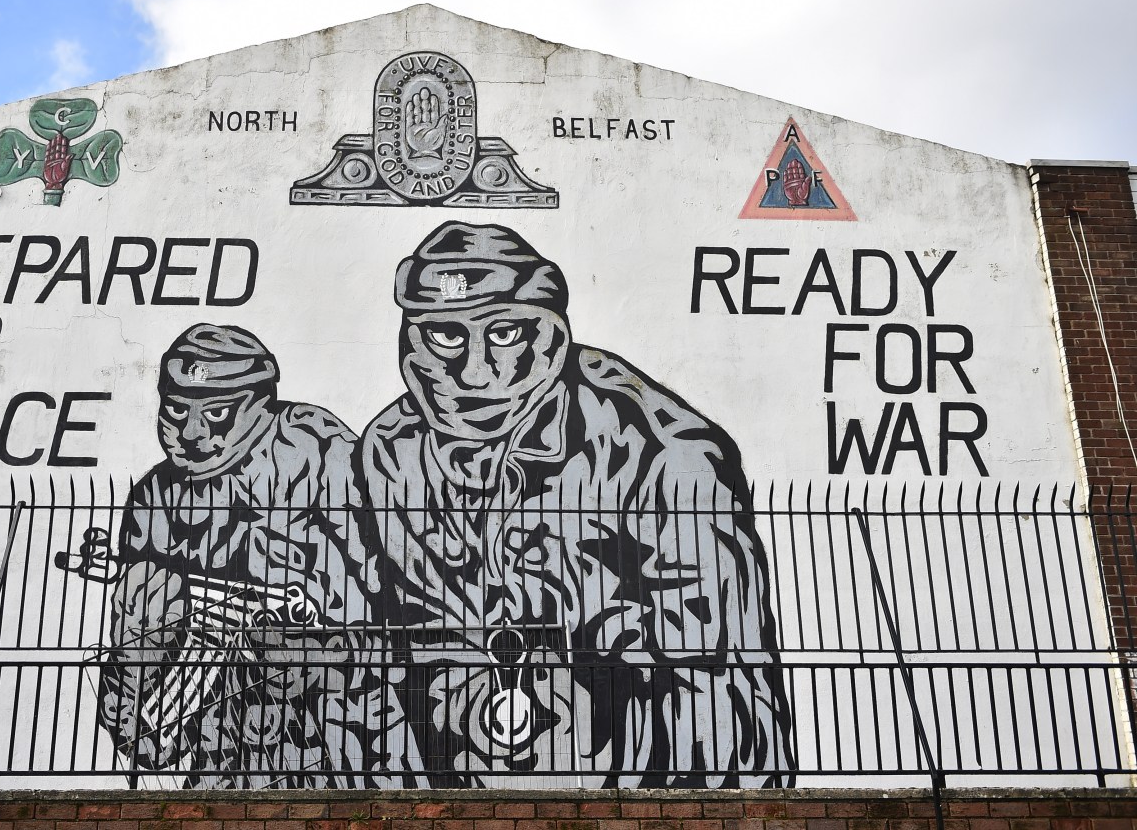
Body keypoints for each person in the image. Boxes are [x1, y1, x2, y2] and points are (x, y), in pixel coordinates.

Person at [357, 222, 793, 788]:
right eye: (444, 337)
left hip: (665, 768)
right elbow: (422, 641)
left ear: (551, 335)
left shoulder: (665, 452)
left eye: (506, 333)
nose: (473, 371)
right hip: (490, 759)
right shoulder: (395, 448)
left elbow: (706, 671)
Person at [96, 323, 409, 787]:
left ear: (261, 402)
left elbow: (379, 581)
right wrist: (134, 668)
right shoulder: (155, 495)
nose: (192, 433)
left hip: (341, 720)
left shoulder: (314, 447)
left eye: (217, 413)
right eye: (176, 411)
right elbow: (144, 702)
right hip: (227, 737)